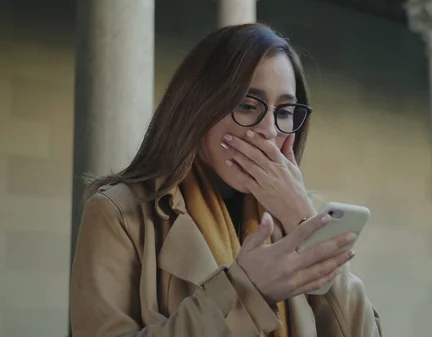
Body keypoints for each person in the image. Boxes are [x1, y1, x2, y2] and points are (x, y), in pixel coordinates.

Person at [70, 23, 382, 337]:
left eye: (285, 111)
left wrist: (305, 221)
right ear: (198, 108)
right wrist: (245, 291)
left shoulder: (297, 213)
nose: (270, 130)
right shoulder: (119, 213)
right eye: (247, 105)